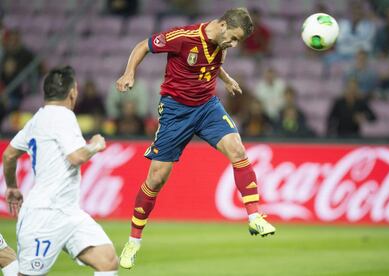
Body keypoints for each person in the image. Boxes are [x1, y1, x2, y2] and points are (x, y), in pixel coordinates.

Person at [116, 7, 275, 269]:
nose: (233, 45)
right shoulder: (183, 37)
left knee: (238, 150)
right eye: (233, 38)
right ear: (223, 25)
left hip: (207, 107)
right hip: (176, 111)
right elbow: (142, 46)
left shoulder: (221, 42)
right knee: (155, 179)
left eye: (237, 42)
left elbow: (213, 62)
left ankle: (254, 215)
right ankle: (134, 240)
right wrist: (129, 72)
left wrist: (225, 78)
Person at [2, 66, 119, 275]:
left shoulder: (37, 119)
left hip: (69, 212)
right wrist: (96, 145)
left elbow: (9, 155)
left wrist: (12, 186)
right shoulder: (64, 116)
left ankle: (5, 257)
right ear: (73, 91)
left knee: (107, 259)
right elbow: (76, 157)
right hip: (45, 215)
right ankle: (5, 256)